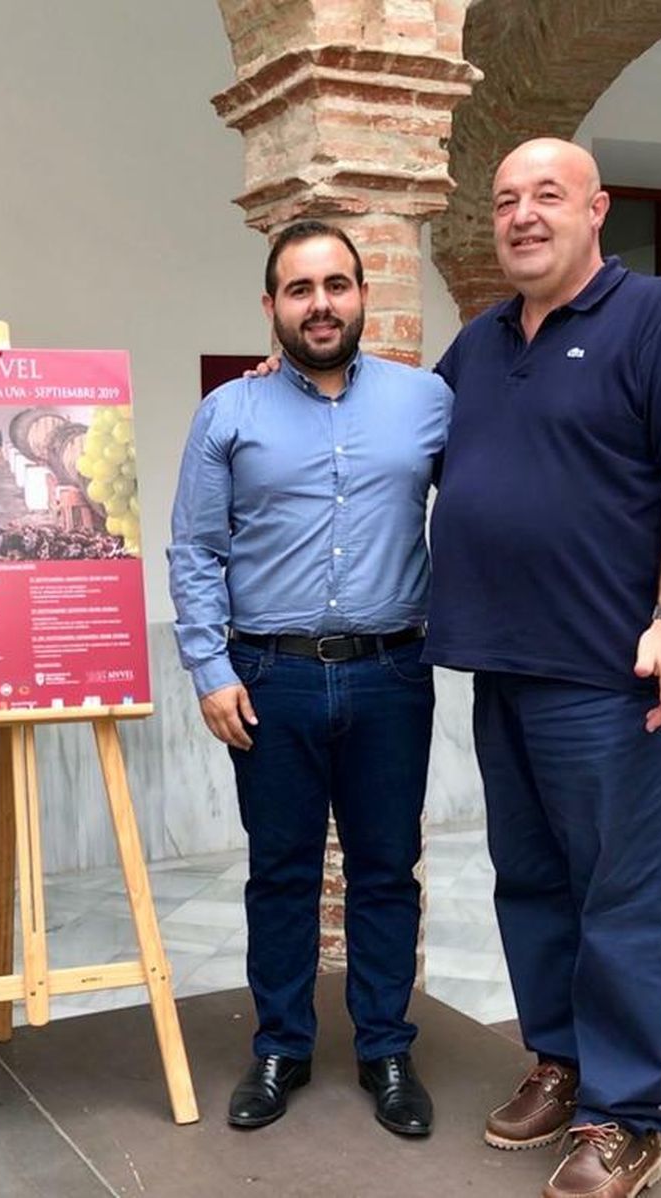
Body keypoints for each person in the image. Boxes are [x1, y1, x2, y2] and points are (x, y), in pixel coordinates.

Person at [429, 139, 661, 1198]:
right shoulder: (475, 347)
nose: (521, 216)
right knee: (532, 885)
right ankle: (560, 1063)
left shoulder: (658, 316)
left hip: (617, 673)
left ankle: (625, 1115)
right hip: (503, 669)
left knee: (622, 897)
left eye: (545, 196)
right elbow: (403, 445)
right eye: (505, 199)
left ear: (595, 210)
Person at [169, 220, 451, 1136]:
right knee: (280, 871)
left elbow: (497, 497)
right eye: (300, 289)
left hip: (390, 677)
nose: (320, 303)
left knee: (385, 871)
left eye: (336, 285)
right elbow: (196, 550)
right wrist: (210, 668)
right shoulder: (229, 412)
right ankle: (281, 1045)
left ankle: (386, 1049)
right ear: (270, 307)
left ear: (363, 295)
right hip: (268, 678)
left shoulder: (428, 401)